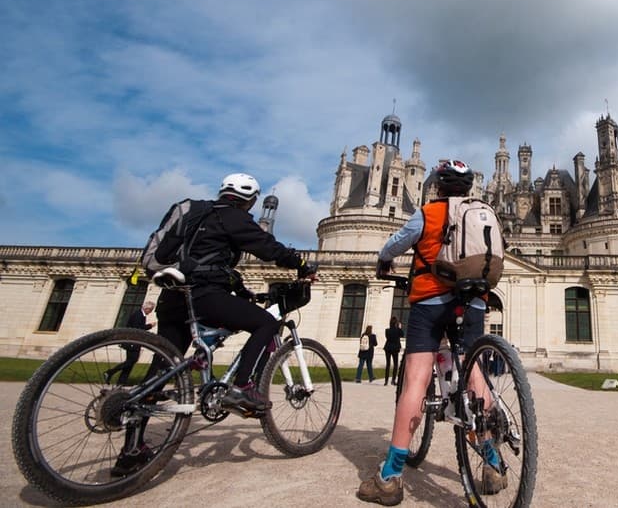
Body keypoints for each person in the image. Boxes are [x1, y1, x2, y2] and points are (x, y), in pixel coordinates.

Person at [113, 172, 316, 478]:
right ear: (249, 200)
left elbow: (209, 259)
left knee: (162, 369)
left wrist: (241, 288)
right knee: (265, 323)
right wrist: (300, 264)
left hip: (173, 297)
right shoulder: (234, 217)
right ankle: (243, 386)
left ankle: (130, 452)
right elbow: (267, 247)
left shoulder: (196, 214)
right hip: (205, 295)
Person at [357, 160, 503, 505]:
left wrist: (383, 257)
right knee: (474, 375)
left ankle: (390, 477)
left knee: (416, 380)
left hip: (430, 299)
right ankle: (493, 463)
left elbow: (394, 245)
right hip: (475, 298)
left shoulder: (428, 212)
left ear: (436, 185)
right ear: (469, 189)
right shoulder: (484, 213)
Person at [103, 301, 155, 386]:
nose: (151, 312)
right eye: (151, 310)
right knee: (132, 360)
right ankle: (110, 372)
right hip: (133, 342)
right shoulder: (139, 315)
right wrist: (150, 326)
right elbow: (137, 329)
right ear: (147, 308)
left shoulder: (139, 314)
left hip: (133, 341)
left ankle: (121, 382)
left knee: (130, 362)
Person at [382, 316, 403, 386]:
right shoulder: (398, 330)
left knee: (388, 364)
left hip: (388, 347)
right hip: (395, 348)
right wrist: (399, 328)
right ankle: (393, 380)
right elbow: (402, 335)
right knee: (395, 364)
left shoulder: (387, 330)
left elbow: (388, 338)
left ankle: (386, 381)